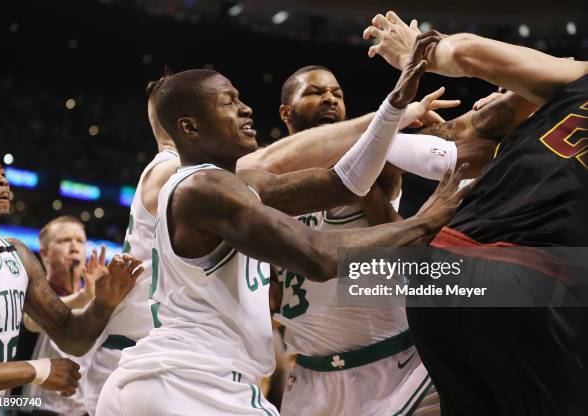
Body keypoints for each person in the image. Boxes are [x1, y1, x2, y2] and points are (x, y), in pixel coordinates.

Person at [97, 35, 470, 416]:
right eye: (229, 102)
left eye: (241, 99)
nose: (245, 110)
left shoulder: (235, 185)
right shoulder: (202, 187)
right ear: (190, 128)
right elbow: (317, 257)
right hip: (190, 382)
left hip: (173, 379)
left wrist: (394, 106)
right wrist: (424, 222)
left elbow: (343, 182)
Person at [364, 11, 588, 416]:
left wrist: (414, 53)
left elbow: (466, 51)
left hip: (438, 275)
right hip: (525, 281)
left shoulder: (573, 80)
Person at [269, 64, 441, 416]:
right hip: (310, 378)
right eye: (316, 92)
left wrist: (359, 187)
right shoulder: (267, 180)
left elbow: (403, 248)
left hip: (394, 368)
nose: (330, 98)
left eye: (337, 94)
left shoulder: (377, 160)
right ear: (286, 112)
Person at [0, 139, 143, 412]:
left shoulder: (19, 256)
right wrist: (36, 370)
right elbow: (32, 328)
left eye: (2, 174)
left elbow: (72, 337)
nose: (1, 181)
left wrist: (104, 301)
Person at [82, 79, 182, 416]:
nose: (242, 111)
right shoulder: (174, 168)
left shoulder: (172, 168)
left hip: (146, 354)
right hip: (138, 356)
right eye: (226, 102)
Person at [22, 216, 105, 416]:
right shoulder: (27, 291)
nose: (74, 246)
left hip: (87, 410)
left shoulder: (98, 299)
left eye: (80, 241)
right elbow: (31, 322)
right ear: (45, 253)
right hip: (39, 408)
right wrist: (83, 297)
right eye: (64, 240)